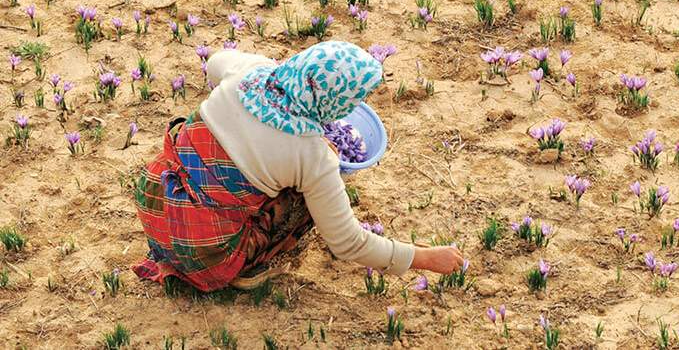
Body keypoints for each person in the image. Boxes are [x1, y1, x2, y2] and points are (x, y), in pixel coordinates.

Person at [133, 41, 464, 292]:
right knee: (305, 197)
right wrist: (423, 258)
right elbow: (347, 242)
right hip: (205, 252)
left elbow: (215, 64)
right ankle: (245, 270)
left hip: (156, 198)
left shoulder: (252, 70)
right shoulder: (312, 155)